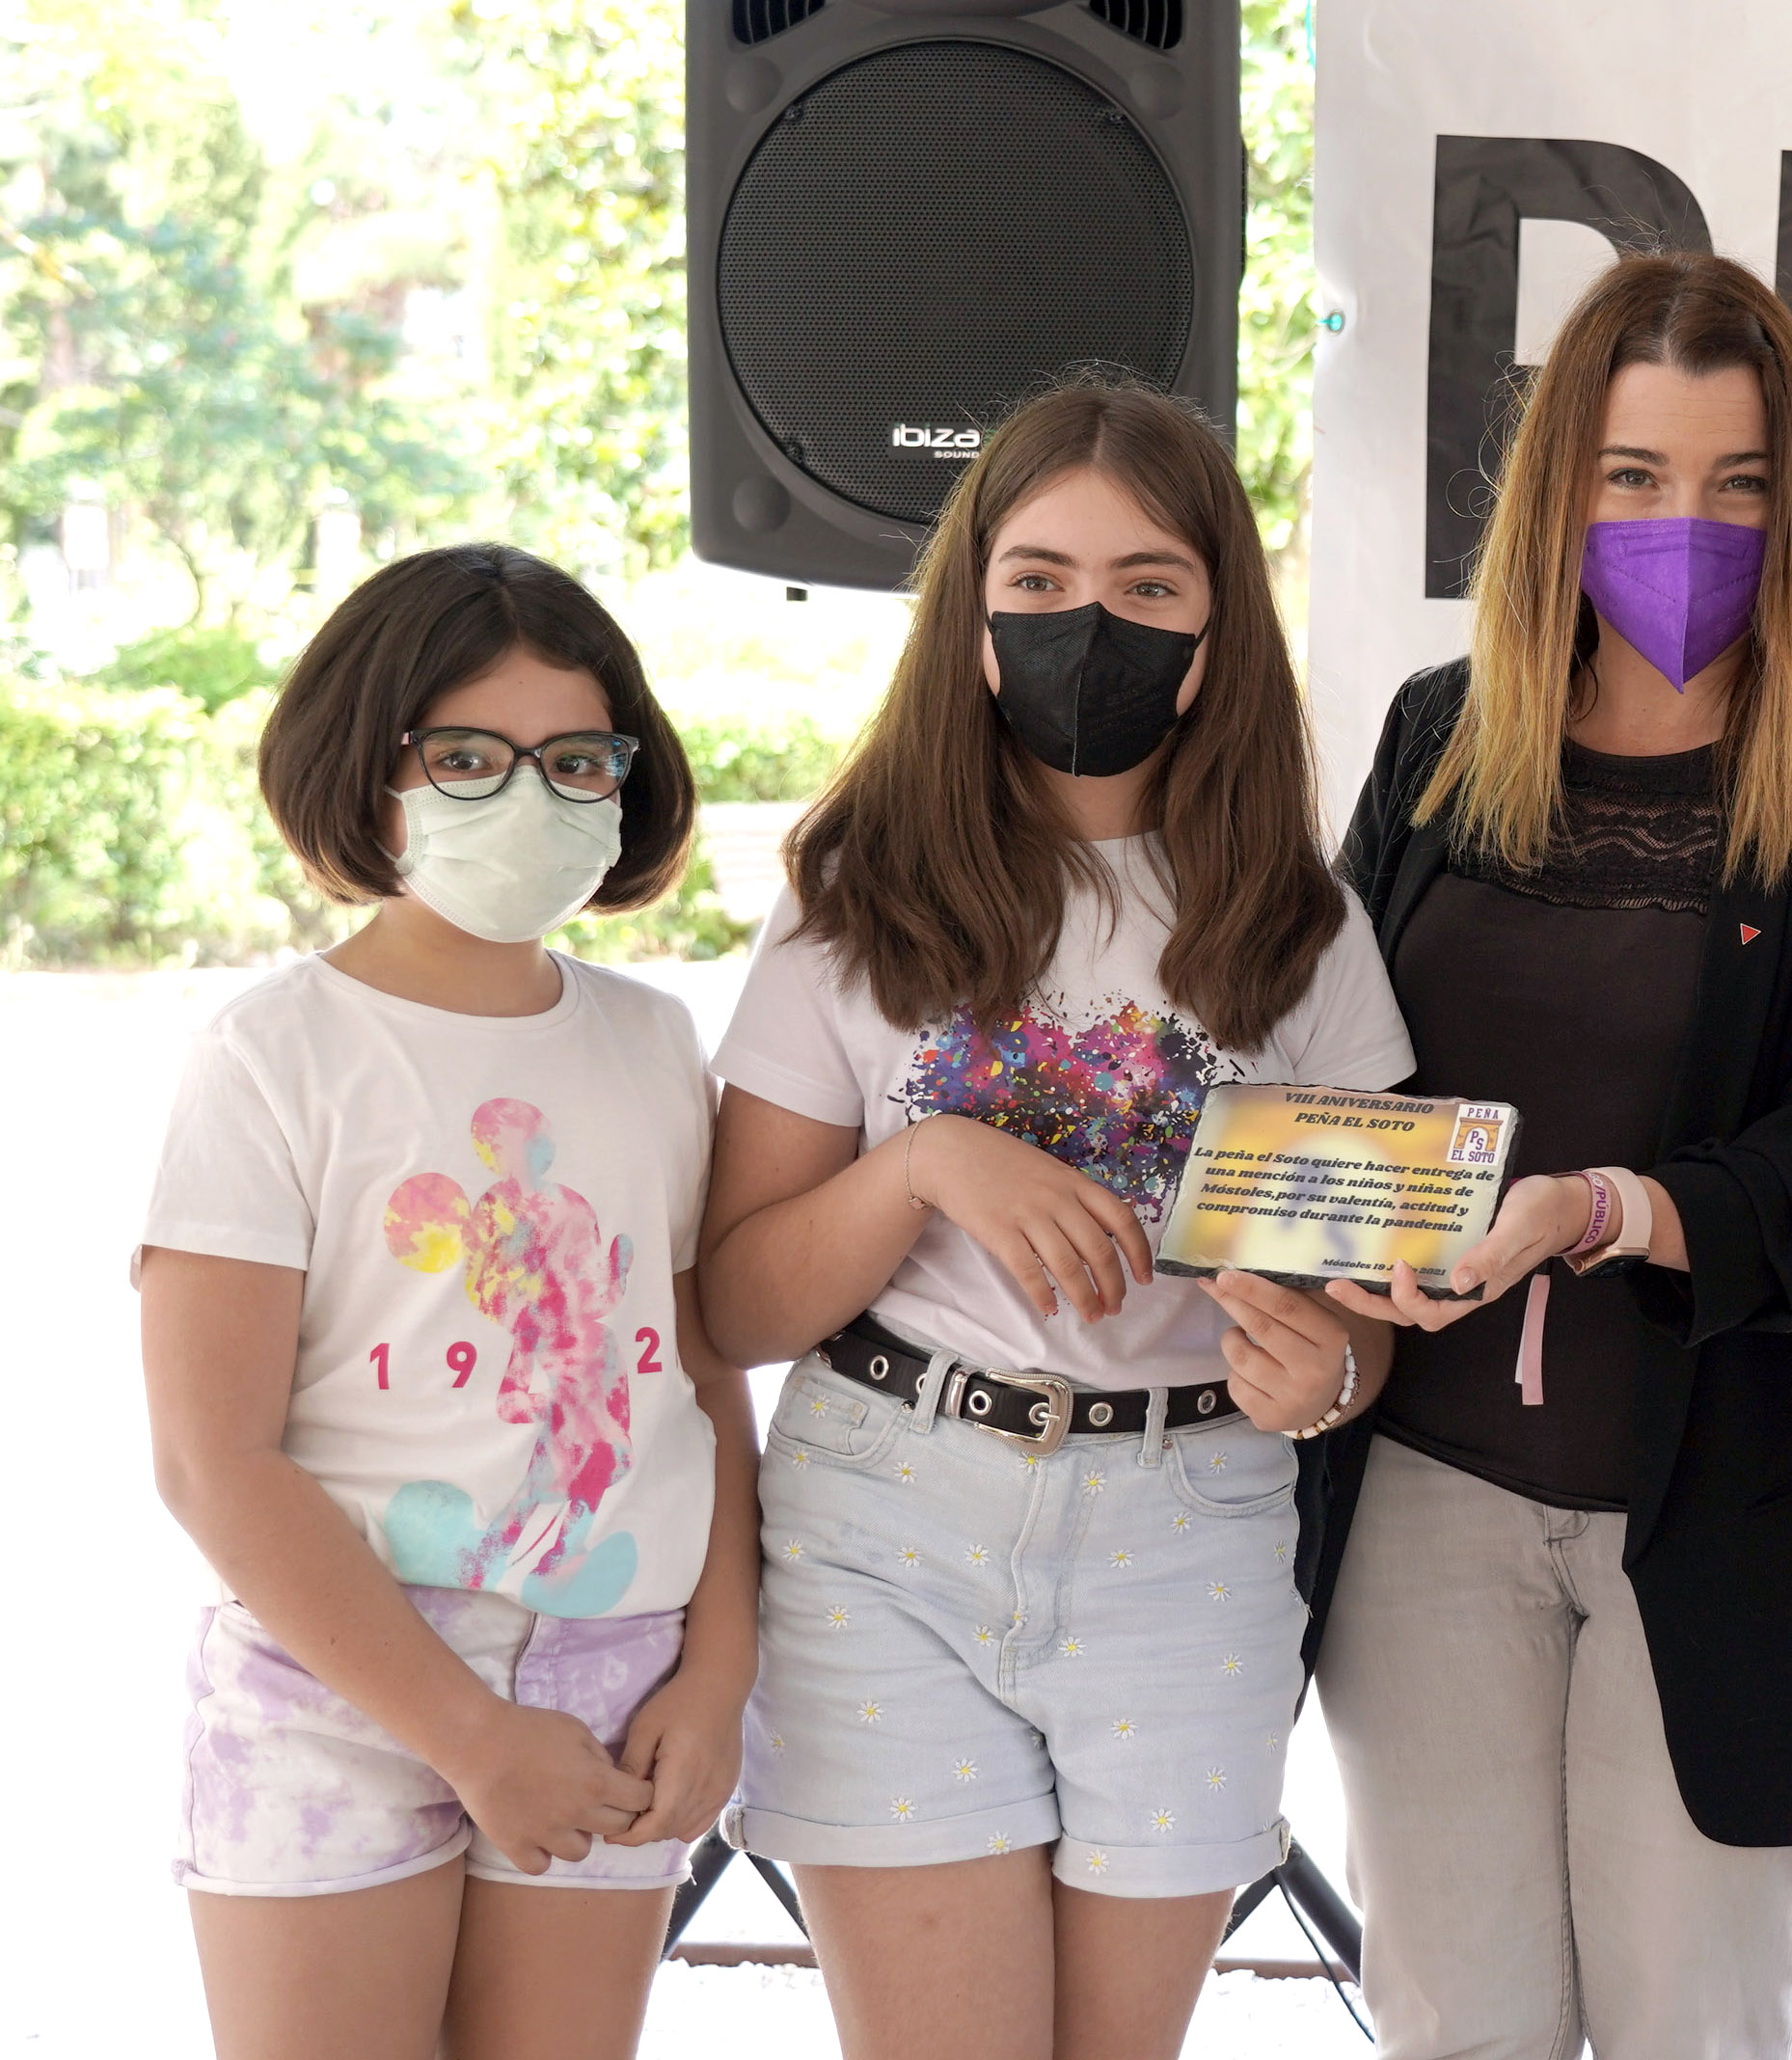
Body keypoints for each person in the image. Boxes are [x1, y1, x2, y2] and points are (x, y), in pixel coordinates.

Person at [1315, 250, 1792, 2058]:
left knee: (1693, 2021)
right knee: (1455, 2023)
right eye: (1633, 475)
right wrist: (1310, 1234)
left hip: (1737, 1512)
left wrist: (1609, 1211)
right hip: (1429, 1489)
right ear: (1560, 485)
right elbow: (1337, 1055)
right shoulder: (1440, 735)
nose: (1681, 526)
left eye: (1737, 484)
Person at [695, 376, 1412, 2060]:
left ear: (1217, 638)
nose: (1091, 623)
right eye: (1040, 580)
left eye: (1148, 585)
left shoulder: (1305, 930)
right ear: (973, 616)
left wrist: (1326, 1372)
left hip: (1194, 1539)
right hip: (884, 1525)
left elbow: (1361, 1331)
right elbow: (734, 1304)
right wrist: (925, 1163)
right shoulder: (850, 897)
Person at [139, 545, 761, 2060]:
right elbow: (213, 1460)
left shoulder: (654, 1042)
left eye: (576, 760)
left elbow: (699, 1383)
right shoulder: (271, 1055)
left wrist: (722, 1670)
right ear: (371, 767)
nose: (530, 798)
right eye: (470, 758)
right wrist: (471, 1734)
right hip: (335, 1687)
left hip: (619, 1670)